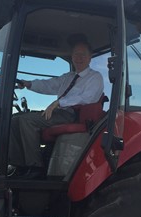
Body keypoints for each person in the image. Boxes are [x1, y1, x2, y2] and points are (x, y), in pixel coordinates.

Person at [9, 36, 104, 179]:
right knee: (13, 119)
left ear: (90, 57)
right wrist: (28, 84)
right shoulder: (68, 77)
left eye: (83, 54)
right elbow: (49, 85)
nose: (79, 57)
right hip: (58, 112)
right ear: (71, 56)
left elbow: (87, 98)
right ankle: (18, 165)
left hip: (71, 115)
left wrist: (59, 103)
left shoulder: (95, 78)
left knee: (27, 121)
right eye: (76, 54)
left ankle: (35, 167)